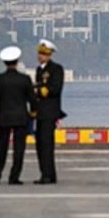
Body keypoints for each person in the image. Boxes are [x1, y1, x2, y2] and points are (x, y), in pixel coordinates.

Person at [0, 46, 36, 185]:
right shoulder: (25, 79)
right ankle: (14, 177)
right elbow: (32, 100)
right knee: (19, 149)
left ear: (4, 62)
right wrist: (33, 115)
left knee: (0, 148)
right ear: (17, 61)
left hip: (4, 117)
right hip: (21, 118)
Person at [32, 39, 64, 184]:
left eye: (44, 54)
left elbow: (55, 88)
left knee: (46, 144)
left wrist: (37, 91)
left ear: (49, 55)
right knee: (40, 144)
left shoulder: (56, 69)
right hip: (40, 111)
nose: (40, 56)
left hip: (49, 111)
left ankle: (47, 174)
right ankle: (47, 173)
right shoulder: (39, 70)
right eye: (40, 53)